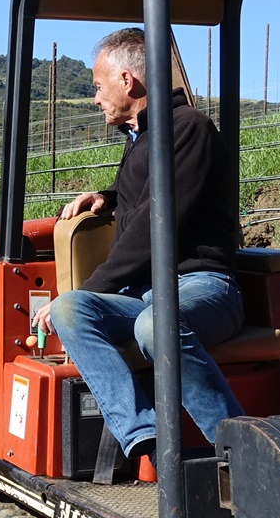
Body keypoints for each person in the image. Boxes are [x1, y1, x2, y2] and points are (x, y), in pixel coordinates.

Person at [33, 27, 245, 463]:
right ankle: (144, 437)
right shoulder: (143, 140)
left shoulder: (189, 131)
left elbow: (155, 226)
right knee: (70, 309)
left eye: (97, 86)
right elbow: (149, 194)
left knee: (153, 326)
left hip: (203, 287)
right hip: (149, 294)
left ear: (127, 81)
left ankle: (238, 453)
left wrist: (95, 285)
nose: (94, 99)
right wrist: (107, 197)